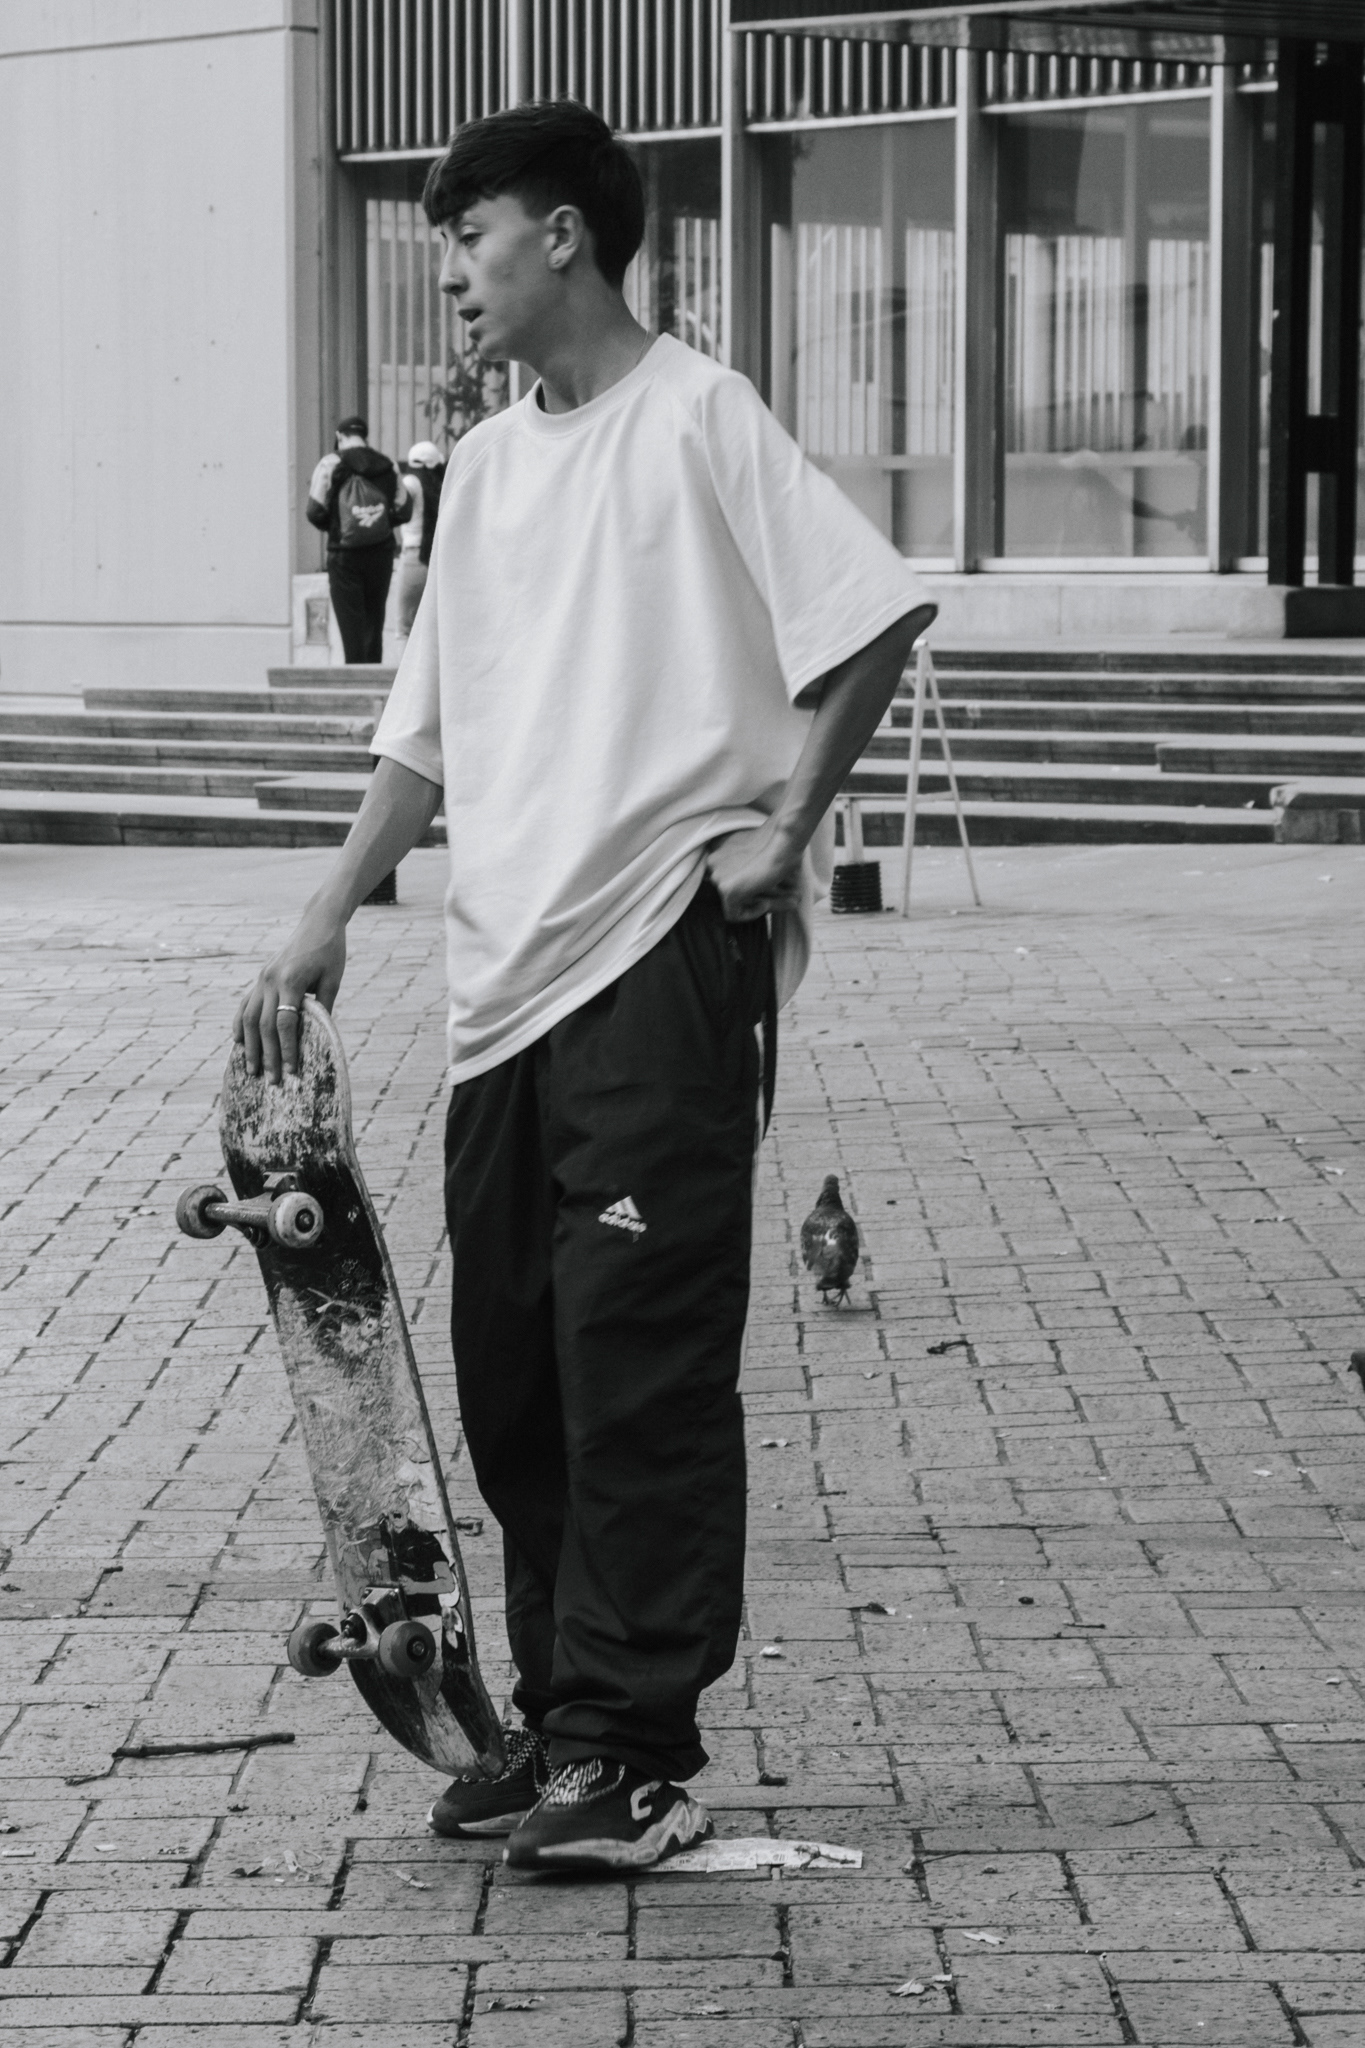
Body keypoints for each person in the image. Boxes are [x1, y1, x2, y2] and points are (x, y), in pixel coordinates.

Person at [235, 100, 935, 1874]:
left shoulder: (698, 415)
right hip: (504, 991)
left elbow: (871, 616)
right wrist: (325, 914)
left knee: (636, 1360)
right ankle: (560, 1721)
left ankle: (633, 1749)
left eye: (468, 240)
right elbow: (426, 733)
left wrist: (787, 827)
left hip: (657, 965)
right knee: (514, 1376)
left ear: (560, 235)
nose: (452, 278)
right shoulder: (485, 470)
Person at [306, 416, 411, 663]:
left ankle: (355, 677)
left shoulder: (330, 464)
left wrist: (337, 527)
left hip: (344, 557)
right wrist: (378, 523)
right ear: (365, 436)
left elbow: (314, 511)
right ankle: (373, 679)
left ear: (340, 436)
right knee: (374, 625)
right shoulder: (387, 465)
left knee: (351, 629)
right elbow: (405, 510)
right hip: (381, 555)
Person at [395, 440, 447, 637]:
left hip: (414, 557)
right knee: (433, 628)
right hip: (437, 558)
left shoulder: (410, 482)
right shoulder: (441, 486)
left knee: (406, 627)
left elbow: (397, 507)